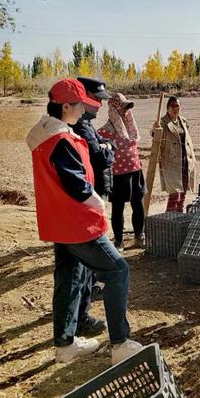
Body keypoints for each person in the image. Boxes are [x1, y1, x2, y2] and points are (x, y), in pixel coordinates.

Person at [26, 79, 142, 364]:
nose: (83, 112)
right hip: (78, 223)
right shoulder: (61, 140)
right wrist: (97, 202)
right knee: (118, 271)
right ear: (65, 106)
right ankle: (120, 343)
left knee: (69, 277)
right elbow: (75, 184)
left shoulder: (46, 133)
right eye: (79, 106)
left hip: (58, 222)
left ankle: (65, 345)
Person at [70, 77, 115, 332]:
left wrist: (106, 147)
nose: (99, 104)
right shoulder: (83, 127)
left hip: (91, 195)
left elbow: (104, 148)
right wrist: (108, 148)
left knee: (85, 264)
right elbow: (100, 155)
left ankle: (82, 306)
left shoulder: (86, 124)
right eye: (96, 99)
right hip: (89, 197)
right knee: (86, 260)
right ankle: (81, 317)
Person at [98, 93, 146, 250]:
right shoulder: (103, 133)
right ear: (113, 109)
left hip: (135, 170)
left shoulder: (132, 129)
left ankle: (139, 236)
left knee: (137, 204)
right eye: (122, 108)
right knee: (118, 208)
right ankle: (118, 241)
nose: (125, 112)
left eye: (126, 108)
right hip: (117, 175)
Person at [156, 96, 197, 213]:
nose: (175, 108)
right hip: (172, 162)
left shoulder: (183, 121)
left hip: (185, 160)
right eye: (172, 106)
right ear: (167, 108)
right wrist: (155, 130)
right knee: (175, 193)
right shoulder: (163, 122)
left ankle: (179, 215)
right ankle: (169, 217)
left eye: (177, 106)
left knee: (183, 191)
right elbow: (155, 133)